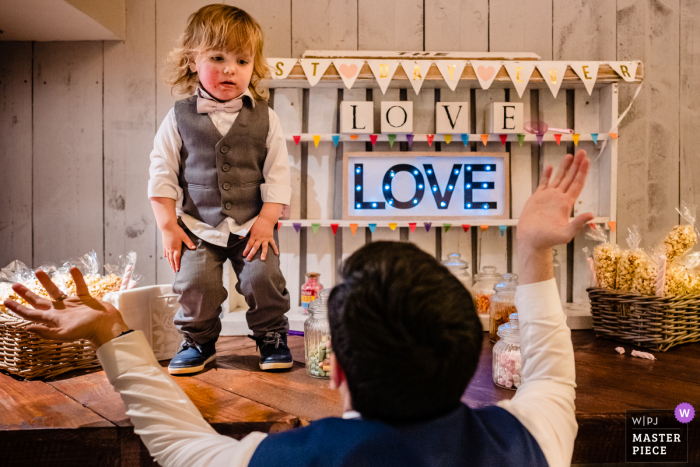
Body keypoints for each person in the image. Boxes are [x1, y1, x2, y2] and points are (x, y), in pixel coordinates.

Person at [4, 151, 594, 467]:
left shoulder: (286, 462)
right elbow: (551, 376)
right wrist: (532, 251)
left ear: (336, 370)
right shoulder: (530, 441)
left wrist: (111, 330)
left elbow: (179, 444)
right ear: (473, 365)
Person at [148, 5, 293, 374]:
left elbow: (278, 173)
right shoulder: (178, 116)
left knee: (263, 278)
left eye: (242, 61)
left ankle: (271, 335)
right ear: (192, 61)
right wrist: (169, 226)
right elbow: (162, 171)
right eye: (217, 57)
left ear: (254, 68)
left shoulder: (266, 117)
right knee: (196, 283)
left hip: (252, 225)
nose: (230, 68)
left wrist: (267, 220)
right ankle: (198, 340)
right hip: (197, 226)